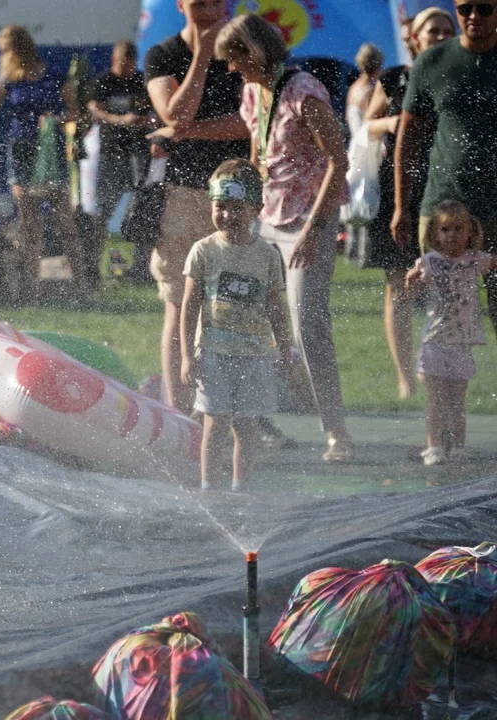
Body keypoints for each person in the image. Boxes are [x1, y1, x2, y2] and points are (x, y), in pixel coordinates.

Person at [218, 14, 355, 463]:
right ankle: (256, 418)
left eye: (234, 58)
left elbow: (339, 162)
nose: (231, 69)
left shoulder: (303, 91)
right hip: (269, 216)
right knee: (251, 319)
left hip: (308, 216)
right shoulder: (251, 92)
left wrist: (315, 231)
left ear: (254, 51)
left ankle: (337, 433)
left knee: (307, 322)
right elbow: (260, 158)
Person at [143, 0, 250, 413]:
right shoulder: (163, 55)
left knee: (239, 306)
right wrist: (204, 53)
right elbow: (175, 111)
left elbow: (252, 120)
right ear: (180, 3)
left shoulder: (245, 49)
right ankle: (180, 415)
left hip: (239, 193)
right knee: (180, 305)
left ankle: (238, 412)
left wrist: (187, 132)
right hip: (184, 196)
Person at [180, 159, 291, 490]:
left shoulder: (268, 255)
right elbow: (189, 306)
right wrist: (187, 354)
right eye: (220, 206)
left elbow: (275, 306)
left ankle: (242, 488)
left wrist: (285, 347)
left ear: (256, 207)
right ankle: (209, 488)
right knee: (214, 424)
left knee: (246, 424)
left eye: (236, 207)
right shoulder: (203, 251)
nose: (227, 215)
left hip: (255, 354)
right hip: (214, 352)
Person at [364, 7, 455, 400]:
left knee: (450, 282)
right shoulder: (396, 79)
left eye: (444, 30)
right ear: (413, 38)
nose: (437, 36)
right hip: (401, 189)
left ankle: (441, 366)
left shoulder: (459, 76)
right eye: (430, 30)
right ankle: (404, 377)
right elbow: (367, 123)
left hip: (448, 191)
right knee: (398, 286)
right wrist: (390, 124)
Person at [395, 0, 497, 339]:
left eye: (485, 8)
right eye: (466, 8)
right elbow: (407, 140)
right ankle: (444, 394)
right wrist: (400, 206)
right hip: (445, 209)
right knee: (445, 326)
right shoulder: (432, 61)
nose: (473, 16)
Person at [0, 25, 86, 303]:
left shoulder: (54, 77)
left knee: (64, 222)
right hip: (20, 153)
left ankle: (82, 286)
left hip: (51, 154)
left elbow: (75, 113)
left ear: (17, 49)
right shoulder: (9, 79)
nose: (2, 56)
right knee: (30, 225)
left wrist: (56, 119)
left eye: (5, 51)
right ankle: (31, 291)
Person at [405, 200, 497, 465]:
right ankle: (433, 446)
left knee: (457, 400)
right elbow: (411, 292)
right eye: (446, 229)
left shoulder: (474, 261)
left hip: (462, 343)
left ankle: (457, 445)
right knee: (435, 400)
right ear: (435, 233)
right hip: (435, 340)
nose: (452, 235)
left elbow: (493, 262)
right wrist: (411, 281)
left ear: (470, 231)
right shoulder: (429, 262)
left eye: (459, 229)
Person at [88, 40, 155, 287]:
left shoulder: (141, 81)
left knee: (143, 209)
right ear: (114, 61)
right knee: (103, 210)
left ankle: (142, 268)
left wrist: (143, 120)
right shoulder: (104, 82)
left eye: (130, 65)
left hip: (138, 151)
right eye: (122, 64)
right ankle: (93, 267)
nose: (127, 70)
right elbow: (96, 111)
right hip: (112, 152)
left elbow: (153, 112)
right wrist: (119, 120)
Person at [345, 43, 383, 138]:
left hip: (356, 146)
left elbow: (348, 119)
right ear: (378, 66)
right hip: (369, 146)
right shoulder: (371, 91)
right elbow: (372, 125)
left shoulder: (353, 88)